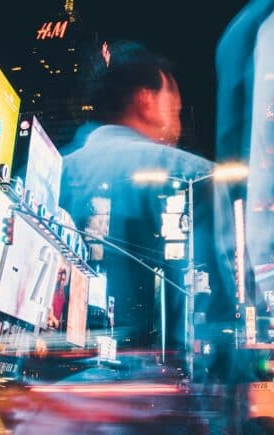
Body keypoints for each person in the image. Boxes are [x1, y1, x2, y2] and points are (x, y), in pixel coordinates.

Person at [60, 41, 215, 349]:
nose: (178, 123)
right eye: (175, 110)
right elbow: (217, 293)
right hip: (164, 377)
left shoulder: (53, 171)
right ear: (146, 100)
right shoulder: (195, 176)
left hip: (57, 372)